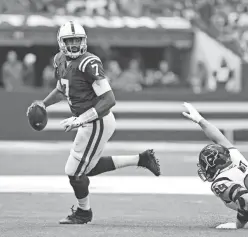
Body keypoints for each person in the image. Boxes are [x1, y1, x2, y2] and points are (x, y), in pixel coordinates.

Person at [26, 21, 160, 225]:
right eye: (69, 41)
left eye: (77, 41)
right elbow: (62, 90)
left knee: (74, 171)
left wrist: (81, 119)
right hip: (89, 121)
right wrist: (43, 104)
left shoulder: (89, 63)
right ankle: (142, 159)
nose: (73, 45)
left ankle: (83, 212)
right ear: (61, 43)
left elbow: (109, 100)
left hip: (98, 120)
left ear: (84, 41)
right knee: (84, 168)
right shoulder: (59, 60)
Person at [182, 102, 248, 229]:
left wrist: (238, 225)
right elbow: (219, 139)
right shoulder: (234, 159)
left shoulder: (221, 182)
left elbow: (247, 201)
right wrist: (200, 120)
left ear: (212, 166)